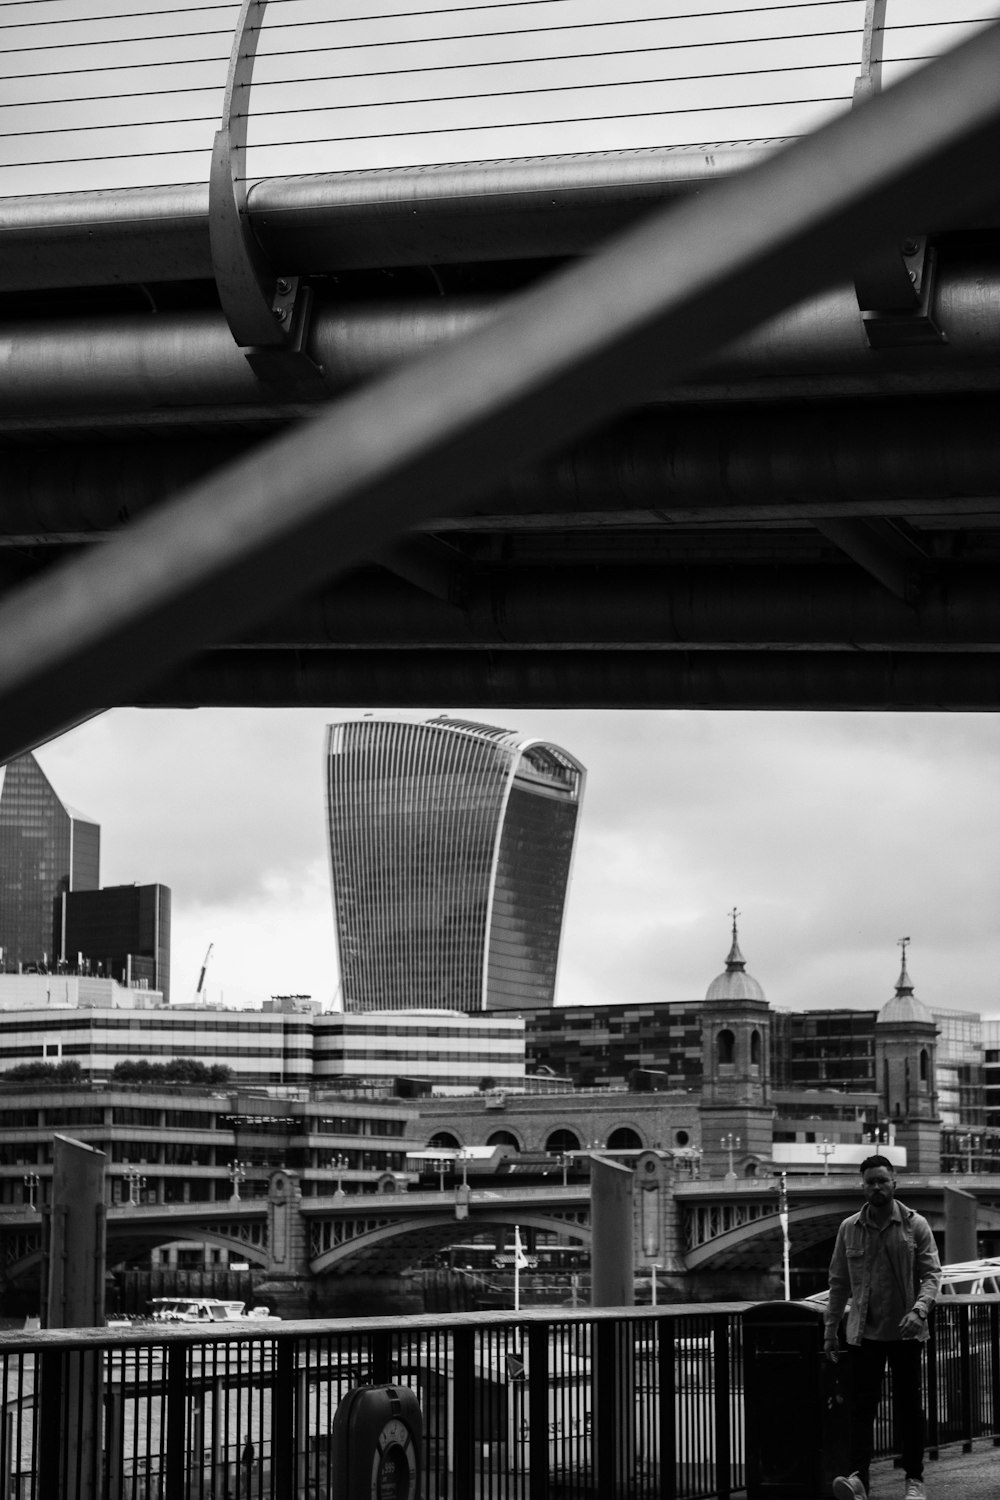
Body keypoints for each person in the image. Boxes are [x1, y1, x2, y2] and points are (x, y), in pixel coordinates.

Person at [825, 1155, 941, 1500]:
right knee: (861, 1411)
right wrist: (831, 1330)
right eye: (870, 1181)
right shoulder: (849, 1228)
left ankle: (914, 1480)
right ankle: (859, 1480)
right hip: (864, 1334)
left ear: (895, 1183)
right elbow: (838, 1282)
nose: (876, 1187)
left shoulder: (914, 1225)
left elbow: (932, 1275)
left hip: (906, 1333)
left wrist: (919, 1312)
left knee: (908, 1409)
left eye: (882, 1180)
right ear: (862, 1186)